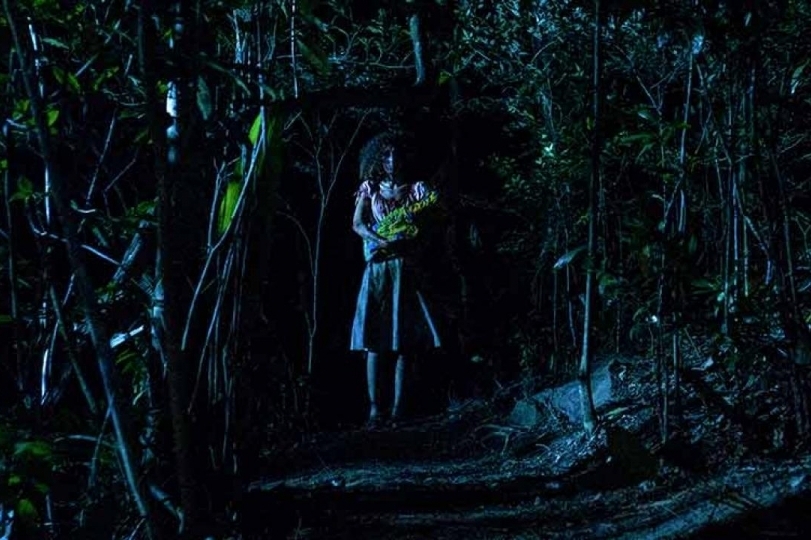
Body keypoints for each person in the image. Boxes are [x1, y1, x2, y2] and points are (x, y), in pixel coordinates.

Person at [350, 133, 442, 428]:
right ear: (379, 159)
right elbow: (357, 223)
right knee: (374, 339)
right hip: (378, 267)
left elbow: (432, 223)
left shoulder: (417, 189)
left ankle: (399, 410)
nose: (392, 161)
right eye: (386, 156)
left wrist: (410, 236)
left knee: (405, 341)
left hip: (406, 267)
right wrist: (380, 240)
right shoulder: (370, 188)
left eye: (396, 155)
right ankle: (375, 410)